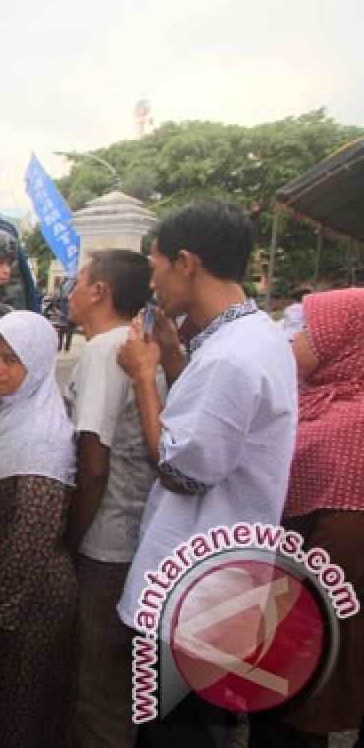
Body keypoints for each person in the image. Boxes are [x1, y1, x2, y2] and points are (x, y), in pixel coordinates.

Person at [116, 201, 298, 747]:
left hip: (195, 591)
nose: (153, 281)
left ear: (187, 262)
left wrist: (144, 377)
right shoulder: (249, 337)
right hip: (219, 580)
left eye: (156, 266)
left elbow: (182, 471)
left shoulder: (231, 356)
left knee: (178, 733)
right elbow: (213, 427)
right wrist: (173, 361)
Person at [249, 288, 364, 748]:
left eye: (307, 333)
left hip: (318, 597)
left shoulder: (348, 423)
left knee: (295, 712)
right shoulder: (321, 400)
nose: (293, 342)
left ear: (343, 342)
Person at [61, 250, 157, 748]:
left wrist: (68, 540)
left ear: (98, 291)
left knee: (98, 688)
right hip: (137, 532)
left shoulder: (104, 351)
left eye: (78, 281)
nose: (70, 292)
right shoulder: (138, 345)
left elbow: (93, 463)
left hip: (105, 542)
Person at [0, 311, 78, 748]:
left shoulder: (41, 438)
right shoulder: (15, 411)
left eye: (11, 360)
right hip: (14, 590)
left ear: (36, 365)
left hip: (32, 596)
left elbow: (31, 536)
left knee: (20, 711)